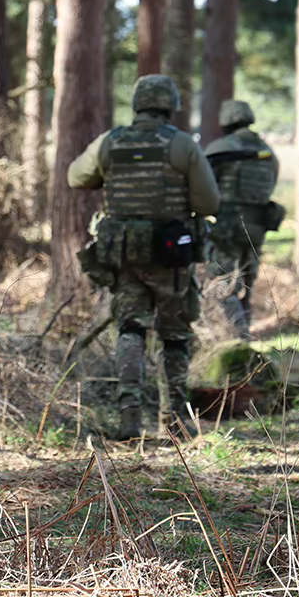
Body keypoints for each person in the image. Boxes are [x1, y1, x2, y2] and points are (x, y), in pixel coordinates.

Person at [69, 75, 220, 440]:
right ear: (171, 105)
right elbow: (208, 203)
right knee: (174, 336)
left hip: (124, 257)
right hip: (171, 256)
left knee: (130, 329)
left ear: (137, 103)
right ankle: (175, 422)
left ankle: (129, 419)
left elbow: (77, 177)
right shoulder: (181, 144)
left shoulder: (110, 141)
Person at [202, 99, 282, 336]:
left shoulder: (220, 148)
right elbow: (271, 183)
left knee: (222, 282)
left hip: (227, 227)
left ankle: (239, 335)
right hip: (257, 225)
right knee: (247, 282)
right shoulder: (266, 150)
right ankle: (244, 326)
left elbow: (204, 184)